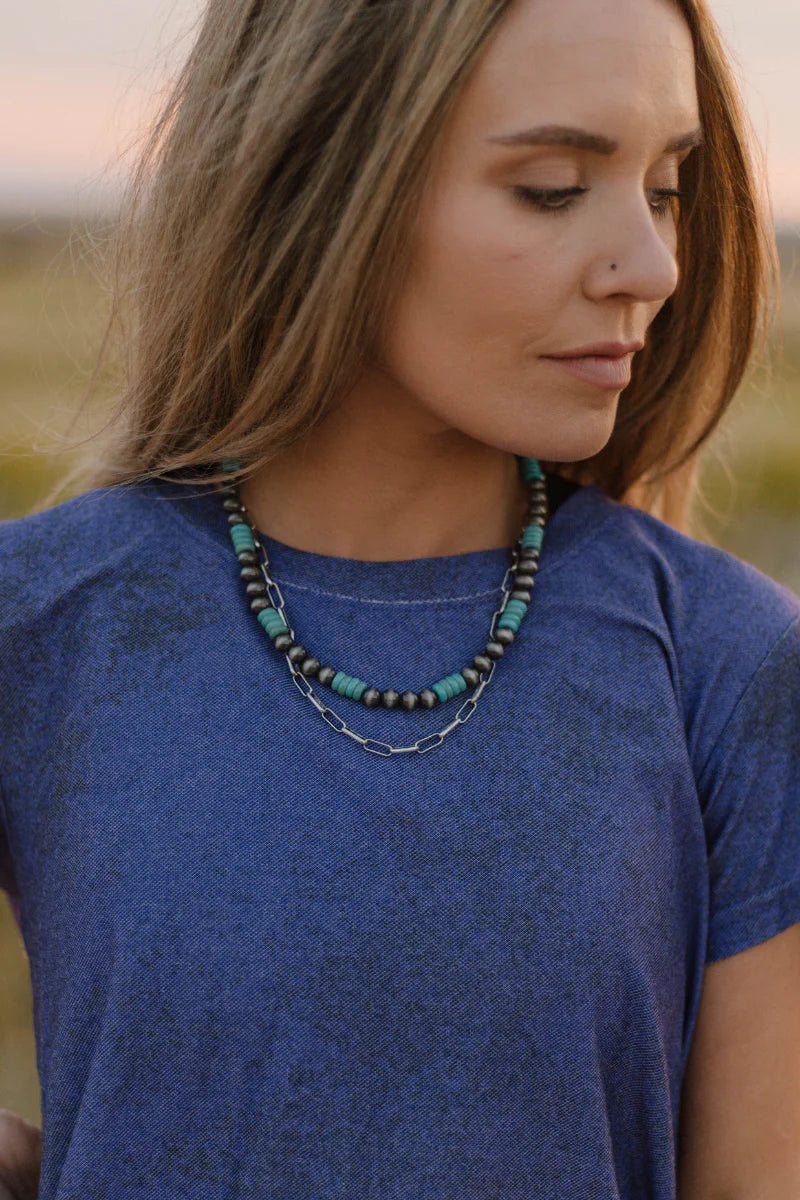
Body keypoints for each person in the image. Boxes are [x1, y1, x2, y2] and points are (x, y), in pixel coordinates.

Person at [1, 0, 798, 1195]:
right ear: (319, 182)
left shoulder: (726, 665)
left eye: (664, 190)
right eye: (549, 189)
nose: (650, 266)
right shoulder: (43, 619)